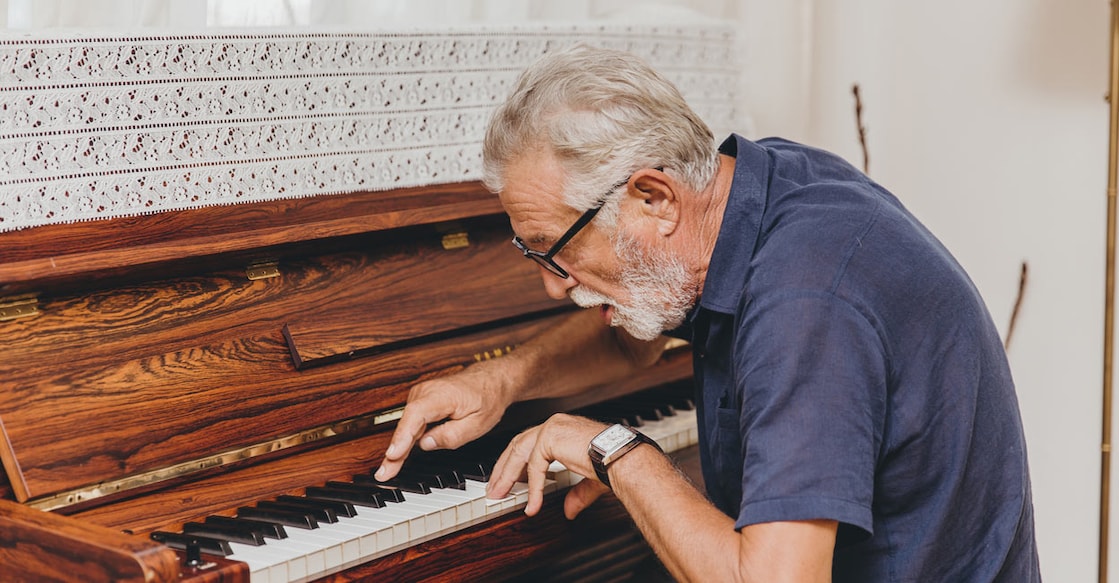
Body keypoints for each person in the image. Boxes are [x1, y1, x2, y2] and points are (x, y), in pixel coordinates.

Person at [374, 44, 1041, 581]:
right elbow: (633, 334)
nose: (553, 287)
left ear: (654, 198)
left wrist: (617, 452)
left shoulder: (804, 302)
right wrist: (503, 379)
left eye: (554, 250)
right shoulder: (755, 187)